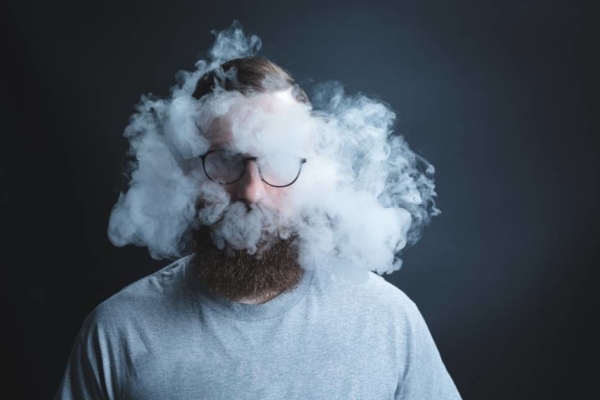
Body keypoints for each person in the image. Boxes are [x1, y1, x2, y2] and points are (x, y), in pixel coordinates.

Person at [55, 57, 462, 399]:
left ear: (313, 172)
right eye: (225, 160)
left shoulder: (388, 320)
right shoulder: (118, 331)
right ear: (185, 170)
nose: (252, 192)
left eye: (278, 159)